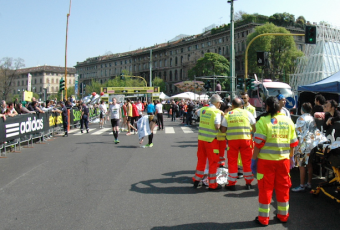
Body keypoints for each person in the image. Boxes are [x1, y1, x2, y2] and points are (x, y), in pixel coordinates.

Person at [251, 96, 298, 226]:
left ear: (267, 106)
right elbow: (293, 144)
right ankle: (283, 216)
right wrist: (291, 158)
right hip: (283, 162)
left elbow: (258, 144)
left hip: (265, 163)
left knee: (266, 189)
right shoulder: (288, 121)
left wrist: (253, 161)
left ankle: (263, 219)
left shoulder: (263, 121)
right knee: (283, 189)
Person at [220, 98, 256, 191]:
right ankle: (248, 183)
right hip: (246, 140)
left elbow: (223, 130)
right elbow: (254, 127)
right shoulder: (247, 113)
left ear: (232, 105)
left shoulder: (228, 114)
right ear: (242, 105)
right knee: (247, 161)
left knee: (232, 162)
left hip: (233, 141)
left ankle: (231, 183)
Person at [192, 94, 224, 191]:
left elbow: (196, 112)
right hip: (211, 140)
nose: (220, 105)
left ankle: (197, 180)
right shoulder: (216, 112)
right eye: (220, 103)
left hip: (201, 139)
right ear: (217, 103)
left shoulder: (204, 110)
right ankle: (212, 184)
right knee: (213, 162)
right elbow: (217, 126)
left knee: (201, 160)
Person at [292, 102, 317, 192]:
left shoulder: (300, 118)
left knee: (302, 165)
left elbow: (298, 132)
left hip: (303, 143)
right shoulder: (312, 118)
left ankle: (302, 185)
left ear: (302, 109)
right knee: (309, 164)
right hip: (311, 143)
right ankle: (309, 183)